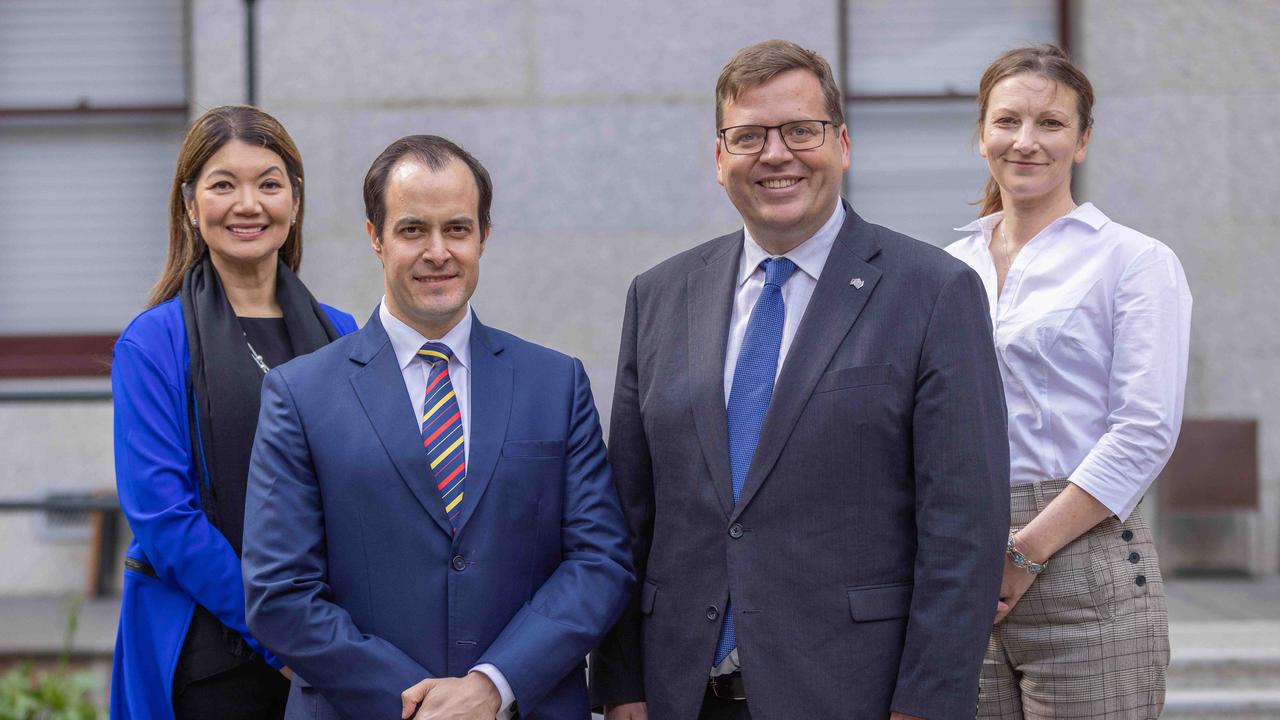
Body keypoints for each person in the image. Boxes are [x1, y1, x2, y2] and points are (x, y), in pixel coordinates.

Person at [590, 39, 1009, 720]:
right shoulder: (661, 296)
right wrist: (621, 684)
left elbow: (963, 529)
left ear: (842, 144)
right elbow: (628, 515)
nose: (775, 154)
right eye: (748, 135)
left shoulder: (934, 293)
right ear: (719, 156)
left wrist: (926, 705)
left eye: (800, 131)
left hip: (854, 695)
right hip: (679, 694)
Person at [241, 134, 634, 720]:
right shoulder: (300, 394)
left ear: (484, 235)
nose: (437, 252)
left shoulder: (556, 383)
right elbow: (280, 595)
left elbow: (599, 562)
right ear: (375, 237)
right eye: (412, 230)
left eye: (456, 229)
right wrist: (421, 706)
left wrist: (491, 686)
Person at [945, 45, 1191, 719]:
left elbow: (1144, 430)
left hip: (1087, 567)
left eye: (1050, 124)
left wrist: (1023, 553)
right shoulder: (946, 269)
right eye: (1007, 121)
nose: (1025, 142)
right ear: (981, 134)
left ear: (1082, 141)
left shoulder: (1133, 262)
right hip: (965, 566)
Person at [110, 105, 358, 719]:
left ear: (294, 201)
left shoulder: (347, 335)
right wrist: (280, 632)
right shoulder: (153, 342)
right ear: (191, 204)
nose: (249, 204)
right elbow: (164, 519)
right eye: (224, 184)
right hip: (209, 651)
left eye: (269, 183)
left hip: (335, 647)